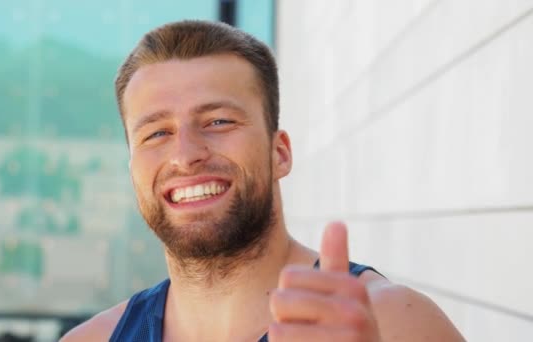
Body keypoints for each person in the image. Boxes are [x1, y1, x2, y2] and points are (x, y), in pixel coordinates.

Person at [61, 20, 464, 341]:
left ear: (280, 153)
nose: (185, 155)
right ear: (133, 169)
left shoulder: (392, 324)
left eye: (218, 121)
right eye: (156, 133)